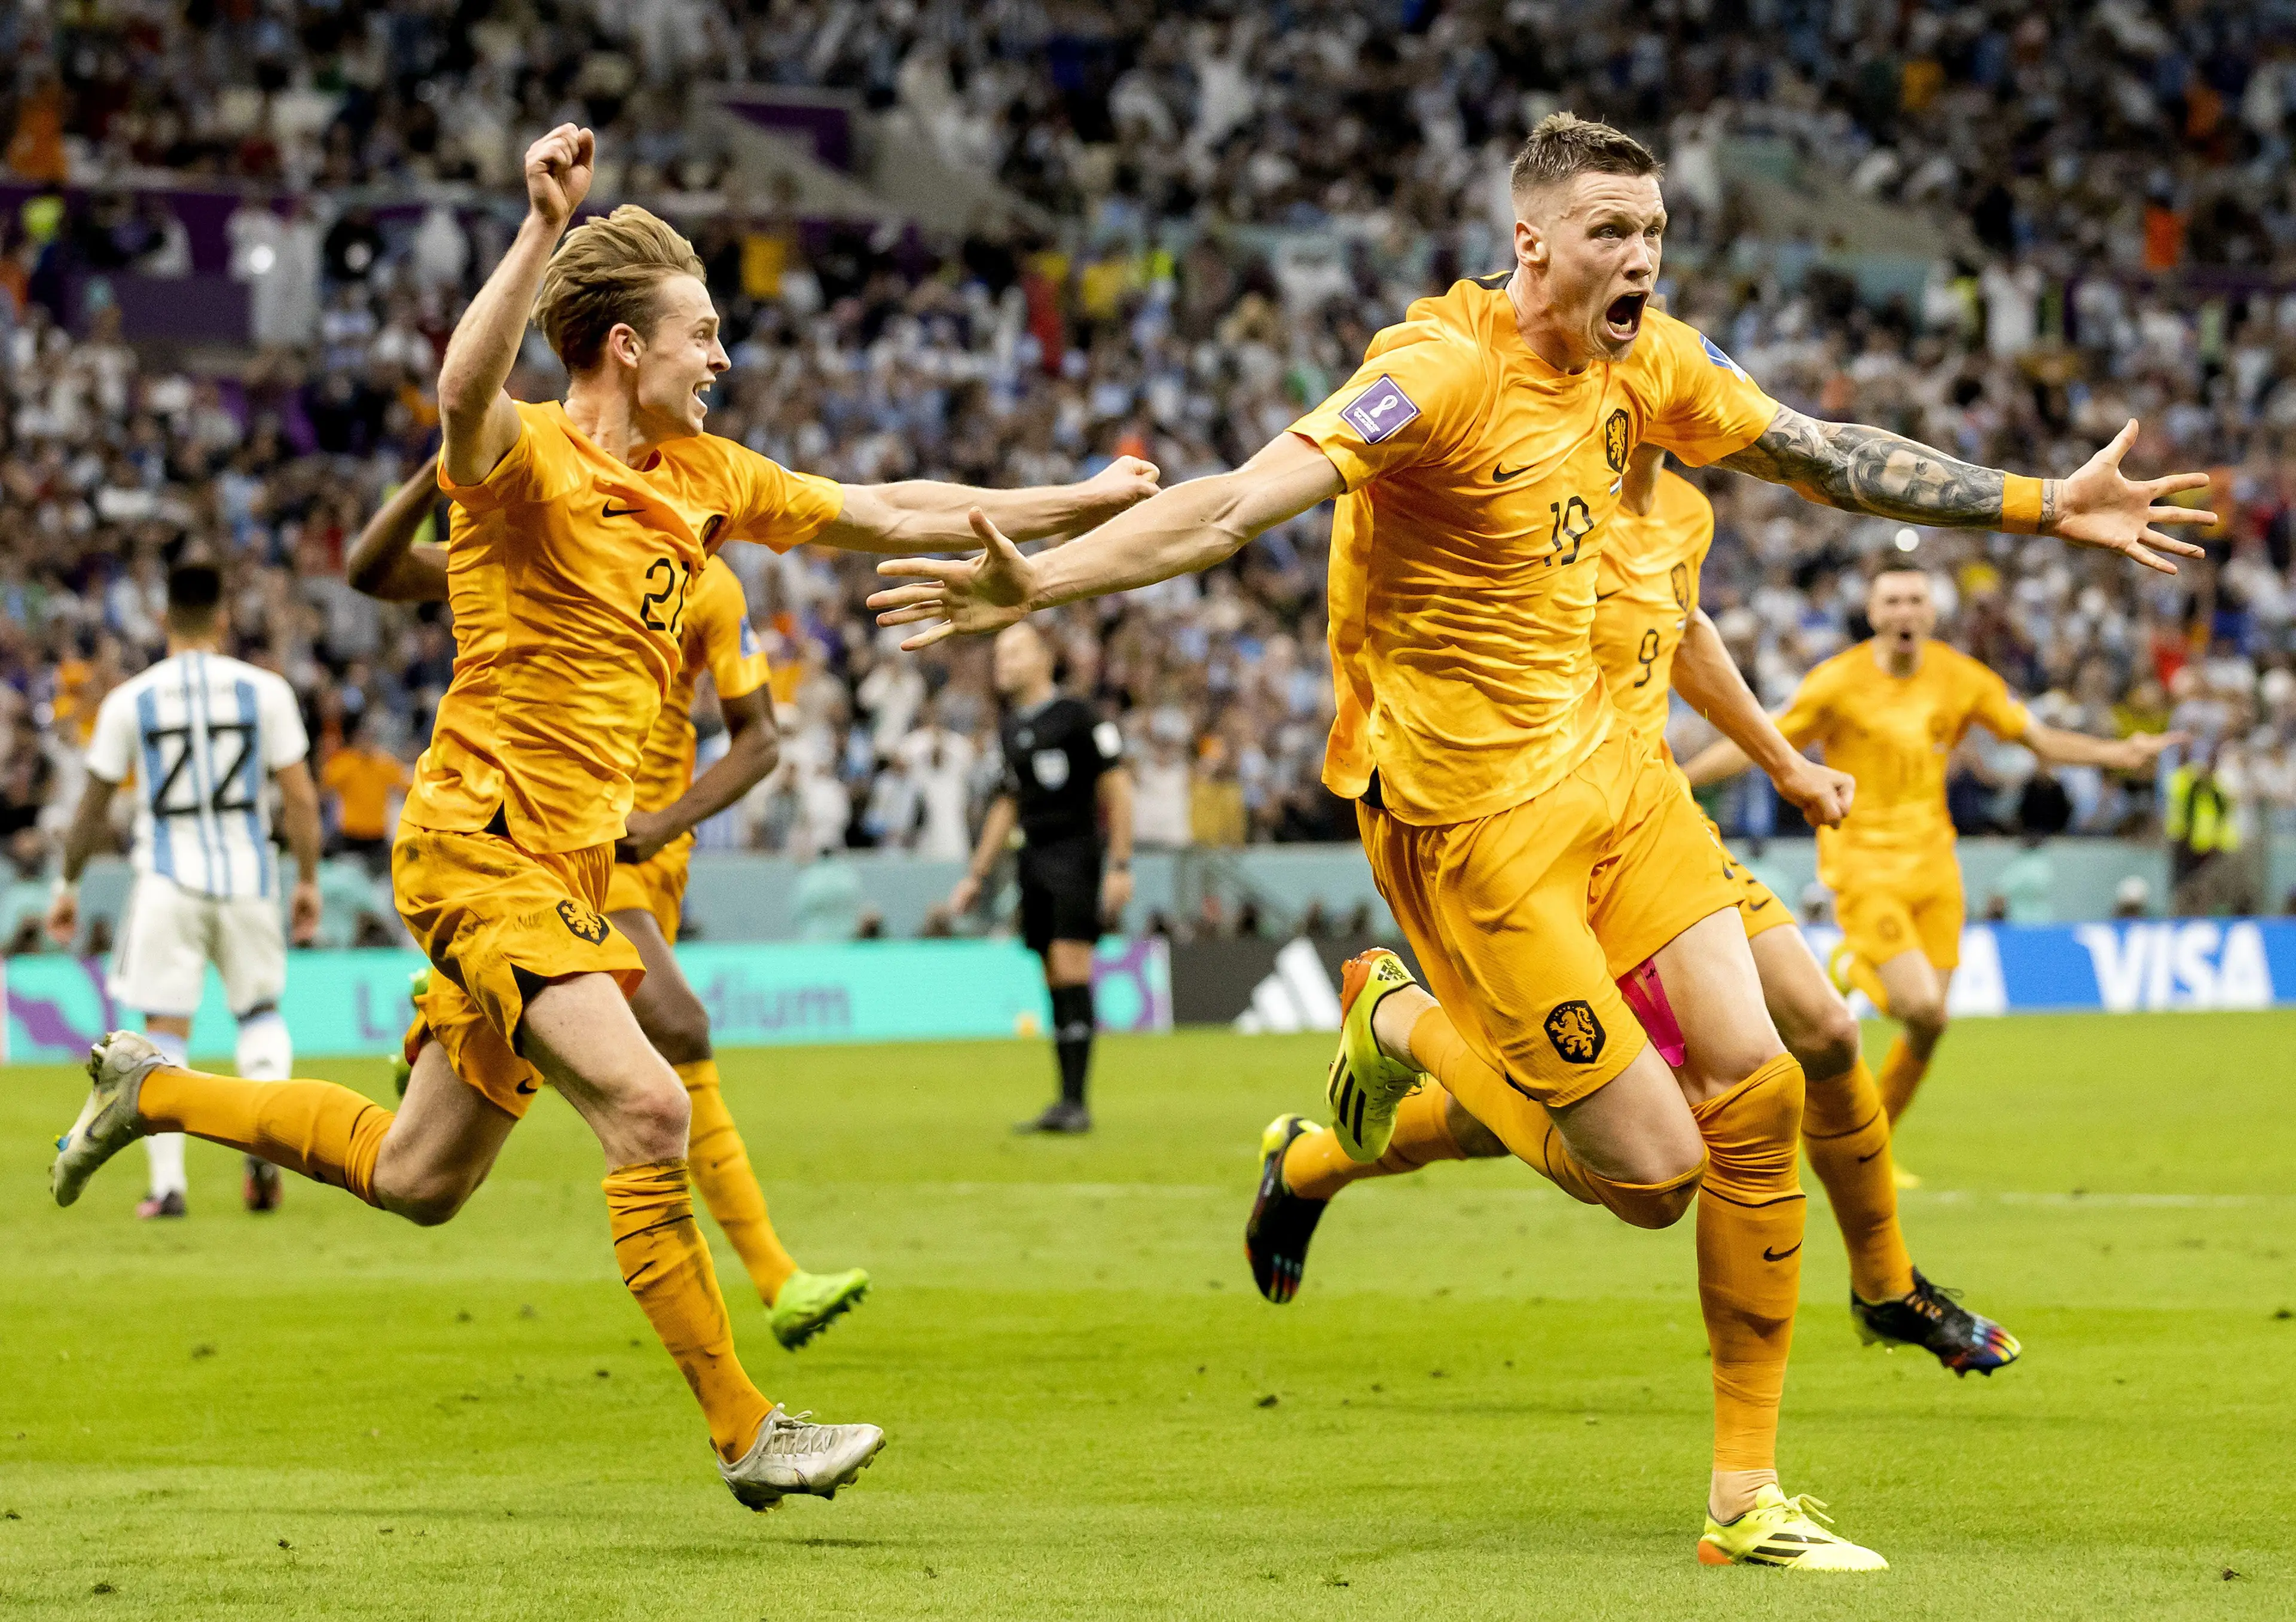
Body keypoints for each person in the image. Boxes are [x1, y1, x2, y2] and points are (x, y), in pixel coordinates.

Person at [869, 112, 2210, 1567]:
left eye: (1650, 232)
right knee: (1648, 1174)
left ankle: (1741, 1499)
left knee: (1756, 1083)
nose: (1638, 258)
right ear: (1531, 242)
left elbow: (1826, 455)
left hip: (1616, 787)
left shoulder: (1654, 366)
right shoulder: (1435, 378)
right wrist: (1045, 583)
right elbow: (1236, 504)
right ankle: (1402, 1017)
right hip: (1471, 828)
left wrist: (2035, 502)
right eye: (1607, 234)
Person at [50, 124, 1159, 1511]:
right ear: (624, 346)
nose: (723, 358)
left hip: (566, 867)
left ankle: (148, 1086)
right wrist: (536, 228)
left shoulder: (705, 480)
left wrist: (1072, 503)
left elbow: (883, 507)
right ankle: (748, 1431)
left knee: (420, 1176)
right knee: (646, 1103)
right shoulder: (523, 465)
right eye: (703, 333)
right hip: (478, 842)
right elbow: (463, 392)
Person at [1243, 448, 2020, 1377]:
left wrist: (1785, 763)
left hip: (1658, 826)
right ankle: (1316, 1158)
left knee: (1825, 1030)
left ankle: (1887, 1286)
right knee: (1539, 1128)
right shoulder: (1538, 497)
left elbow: (1685, 632)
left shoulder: (1685, 510)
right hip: (1558, 843)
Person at [346, 453, 871, 1351]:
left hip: (644, 851)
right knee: (681, 1026)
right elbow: (379, 572)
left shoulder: (708, 588)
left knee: (443, 1163)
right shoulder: (544, 538)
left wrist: (667, 820)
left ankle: (444, 1015)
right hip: (564, 838)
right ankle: (776, 1279)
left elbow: (759, 744)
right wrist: (440, 471)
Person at [1684, 569, 2182, 1138]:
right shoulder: (1836, 683)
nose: (1904, 611)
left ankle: (1874, 1144)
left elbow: (2039, 740)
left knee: (1932, 1024)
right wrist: (1683, 777)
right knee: (1918, 1004)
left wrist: (2118, 754)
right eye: (1892, 601)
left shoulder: (1961, 679)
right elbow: (1763, 740)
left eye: (1915, 600)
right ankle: (1847, 966)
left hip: (1936, 866)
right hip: (1864, 864)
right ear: (1873, 614)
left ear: (1932, 612)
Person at [47, 555, 322, 1218]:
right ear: (224, 618)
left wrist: (67, 883)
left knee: (164, 1029)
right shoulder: (267, 691)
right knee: (258, 1013)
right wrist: (308, 877)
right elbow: (300, 798)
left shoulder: (130, 700)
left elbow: (91, 806)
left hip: (167, 878)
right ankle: (267, 1151)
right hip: (249, 874)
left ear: (164, 617)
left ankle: (170, 1187)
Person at [947, 622, 1134, 1134]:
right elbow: (1007, 803)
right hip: (1032, 860)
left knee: (1072, 965)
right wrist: (976, 875)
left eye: (1014, 652)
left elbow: (1116, 789)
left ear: (1043, 658)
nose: (1002, 663)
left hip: (1076, 855)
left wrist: (1120, 863)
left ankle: (1077, 1102)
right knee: (1052, 972)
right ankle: (1066, 1100)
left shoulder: (1078, 716)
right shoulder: (1011, 727)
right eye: (999, 654)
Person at [319, 707, 408, 875]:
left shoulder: (385, 764)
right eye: (362, 738)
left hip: (376, 834)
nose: (365, 742)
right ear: (355, 739)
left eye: (369, 738)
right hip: (350, 832)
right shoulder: (344, 762)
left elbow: (407, 787)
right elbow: (325, 787)